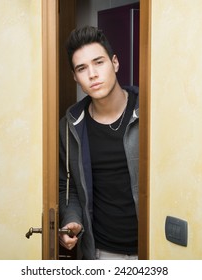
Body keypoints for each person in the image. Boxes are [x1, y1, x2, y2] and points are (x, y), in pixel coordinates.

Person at [59, 26, 139, 260]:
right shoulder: (70, 125)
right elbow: (68, 187)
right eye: (82, 68)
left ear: (115, 63)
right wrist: (71, 219)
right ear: (75, 77)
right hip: (101, 252)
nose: (92, 74)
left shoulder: (148, 111)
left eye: (99, 63)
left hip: (154, 247)